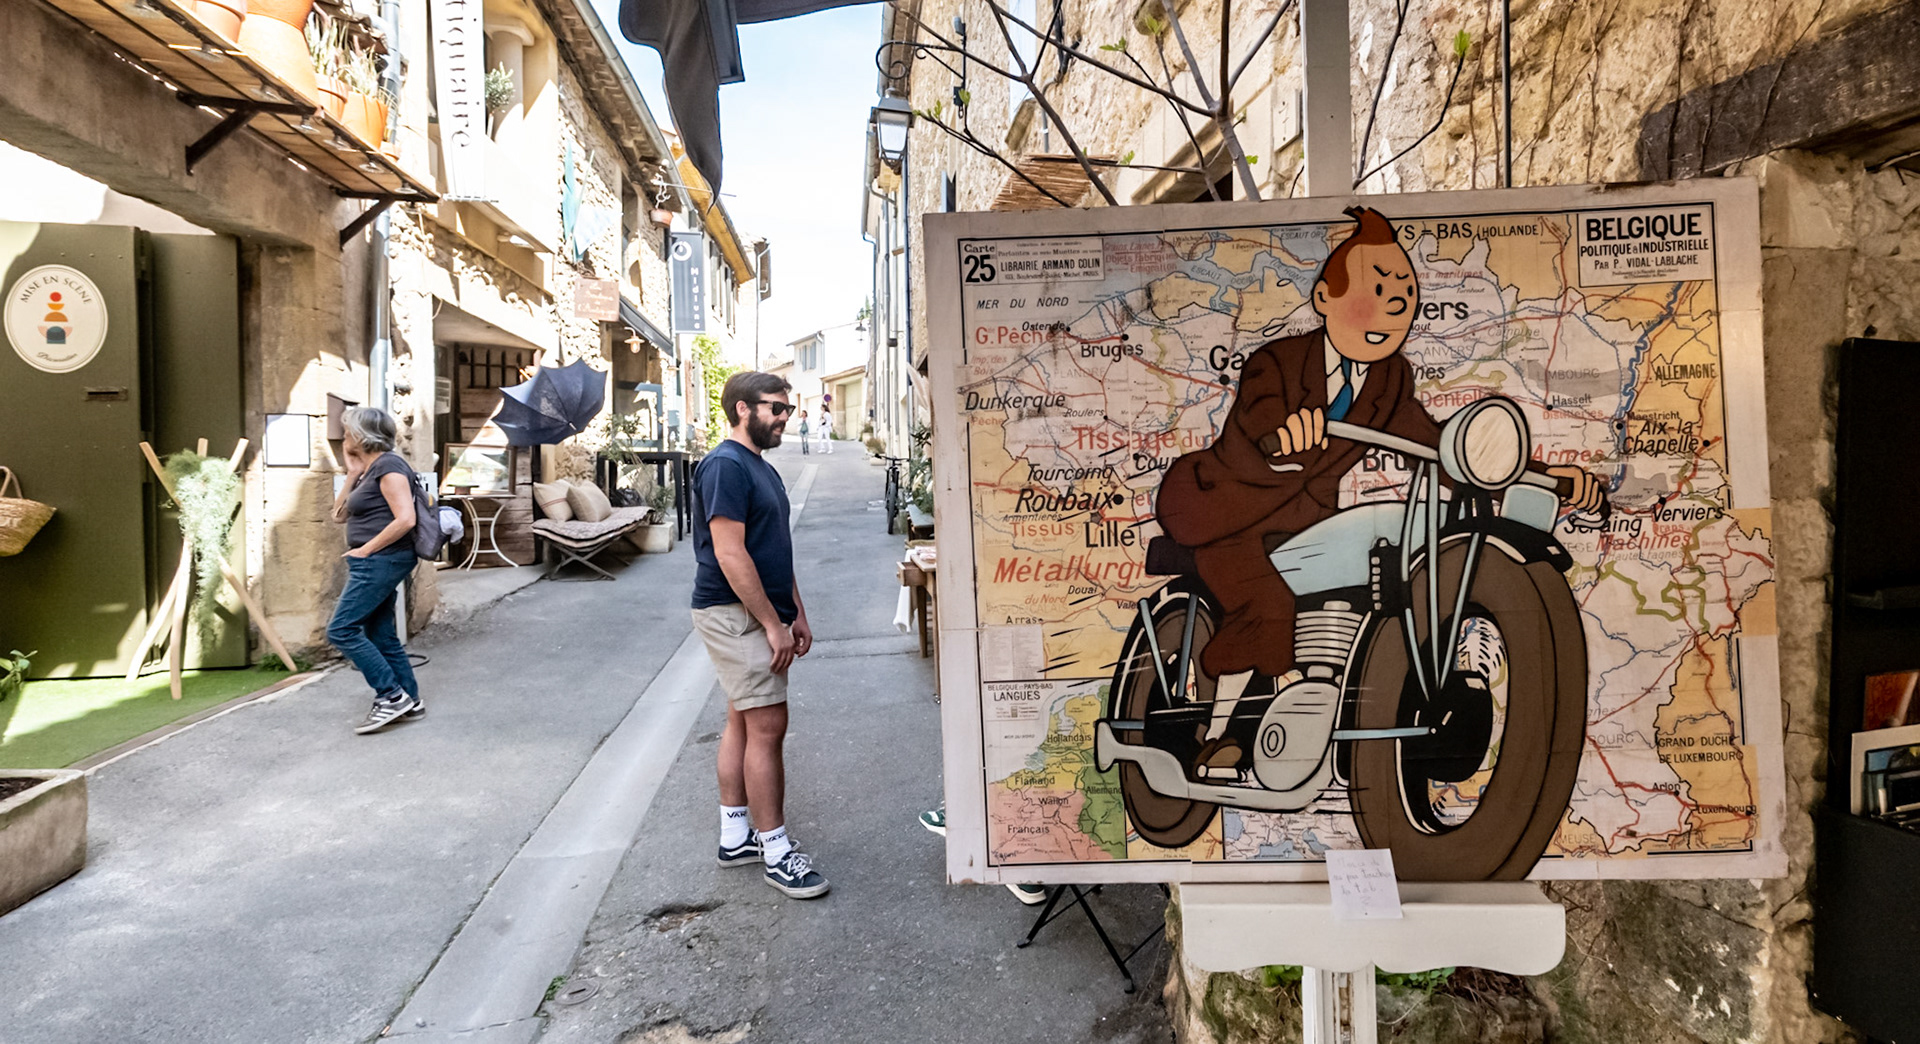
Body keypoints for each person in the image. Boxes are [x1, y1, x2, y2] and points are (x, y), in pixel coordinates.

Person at [1154, 206, 1606, 773]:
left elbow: (1440, 449)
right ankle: (1217, 734)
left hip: (1303, 521)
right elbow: (1260, 417)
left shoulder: (1389, 377)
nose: (1395, 306)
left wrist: (1545, 477)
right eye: (1379, 290)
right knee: (1269, 605)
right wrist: (1285, 435)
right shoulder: (1278, 362)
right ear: (1325, 298)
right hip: (1224, 509)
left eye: (1405, 295)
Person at [692, 371, 828, 899]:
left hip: (756, 610)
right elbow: (730, 554)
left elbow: (773, 547)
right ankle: (776, 851)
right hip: (735, 613)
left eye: (788, 409)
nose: (785, 417)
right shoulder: (725, 465)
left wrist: (796, 612)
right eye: (775, 407)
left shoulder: (759, 467)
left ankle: (735, 838)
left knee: (743, 722)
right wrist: (772, 625)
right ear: (742, 409)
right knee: (768, 726)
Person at [327, 406, 424, 735]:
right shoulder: (369, 470)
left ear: (362, 435)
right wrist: (352, 473)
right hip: (377, 560)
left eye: (348, 431)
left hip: (381, 560)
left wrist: (365, 550)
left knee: (341, 630)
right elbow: (338, 515)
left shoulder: (389, 466)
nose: (344, 436)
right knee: (380, 634)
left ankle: (391, 695)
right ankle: (410, 698)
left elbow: (406, 519)